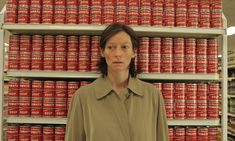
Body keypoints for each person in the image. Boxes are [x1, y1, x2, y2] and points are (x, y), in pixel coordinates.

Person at [65, 23, 169, 141]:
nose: (118, 54)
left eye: (124, 47)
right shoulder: (82, 97)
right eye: (111, 47)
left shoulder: (153, 95)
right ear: (102, 52)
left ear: (134, 52)